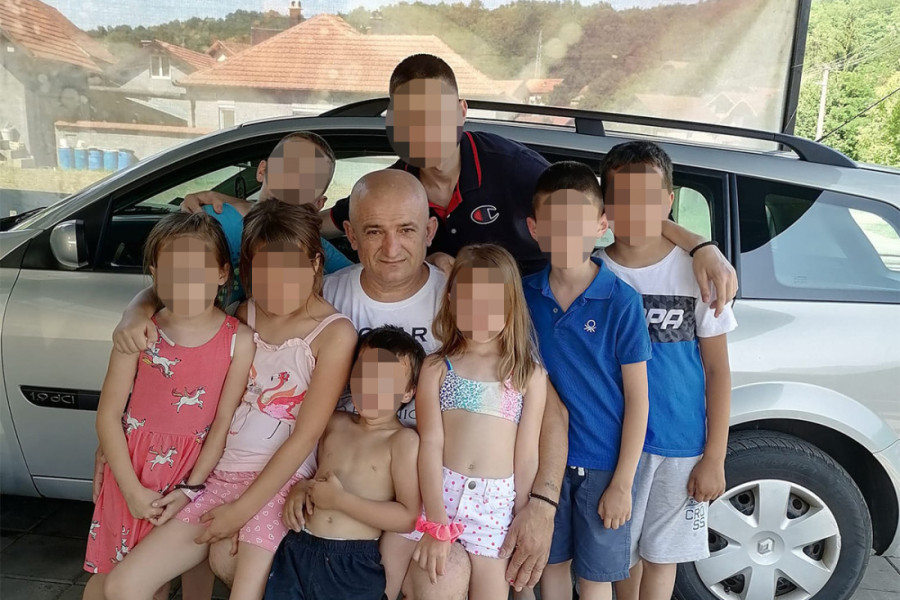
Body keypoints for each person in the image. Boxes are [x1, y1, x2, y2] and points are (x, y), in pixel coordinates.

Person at [322, 53, 740, 319]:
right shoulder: (394, 189)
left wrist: (700, 246)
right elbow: (326, 223)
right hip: (459, 331)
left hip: (541, 318)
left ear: (461, 111)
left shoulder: (515, 169)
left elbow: (613, 210)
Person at [103, 202, 357, 600]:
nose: (278, 282)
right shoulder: (243, 314)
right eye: (264, 270)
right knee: (122, 585)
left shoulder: (335, 334)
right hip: (214, 475)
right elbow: (177, 287)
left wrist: (241, 511)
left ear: (315, 264)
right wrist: (136, 310)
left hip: (277, 483)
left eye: (291, 268)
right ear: (247, 271)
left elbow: (305, 437)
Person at [82, 212, 255, 600]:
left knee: (165, 578)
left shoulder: (238, 341)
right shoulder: (139, 334)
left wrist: (192, 488)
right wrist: (130, 489)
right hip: (133, 471)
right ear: (155, 273)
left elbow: (222, 422)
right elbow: (108, 415)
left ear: (222, 273)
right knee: (109, 578)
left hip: (193, 473)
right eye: (173, 271)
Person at [593, 142, 736, 600]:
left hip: (680, 444)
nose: (635, 210)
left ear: (668, 201)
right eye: (621, 198)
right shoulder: (592, 272)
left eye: (648, 198)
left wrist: (715, 456)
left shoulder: (696, 273)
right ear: (604, 204)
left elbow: (717, 371)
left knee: (662, 557)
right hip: (610, 445)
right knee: (621, 555)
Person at [523, 161, 652, 600]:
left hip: (603, 464)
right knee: (549, 564)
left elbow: (638, 400)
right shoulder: (522, 295)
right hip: (542, 461)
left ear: (601, 225)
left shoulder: (622, 301)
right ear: (534, 228)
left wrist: (623, 482)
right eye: (553, 223)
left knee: (596, 577)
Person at [407, 244, 547, 600]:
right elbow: (430, 443)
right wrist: (436, 520)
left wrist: (522, 514)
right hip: (440, 495)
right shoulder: (437, 367)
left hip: (495, 509)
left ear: (511, 306)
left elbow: (527, 454)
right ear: (451, 300)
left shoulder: (528, 375)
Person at [266, 326, 425, 600]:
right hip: (298, 548)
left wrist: (340, 501)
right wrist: (301, 488)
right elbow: (310, 468)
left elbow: (407, 518)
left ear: (408, 393)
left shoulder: (402, 441)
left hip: (352, 563)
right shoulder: (334, 422)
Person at [181, 131, 352, 303]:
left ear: (318, 204)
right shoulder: (211, 219)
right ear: (262, 170)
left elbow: (358, 284)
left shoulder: (315, 247)